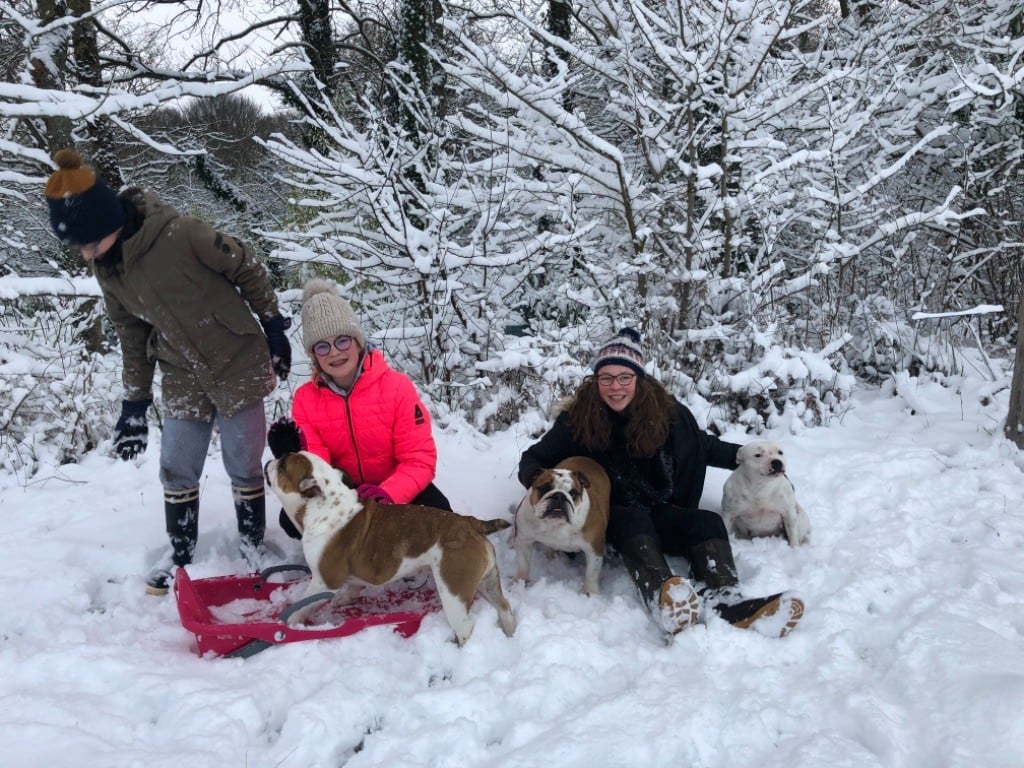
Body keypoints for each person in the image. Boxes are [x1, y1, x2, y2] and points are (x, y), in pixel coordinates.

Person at [44, 148, 292, 595]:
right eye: (77, 248)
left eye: (87, 243)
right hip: (180, 370)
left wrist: (273, 325)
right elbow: (131, 336)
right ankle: (180, 551)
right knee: (176, 464)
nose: (85, 256)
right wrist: (134, 402)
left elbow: (245, 265)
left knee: (244, 462)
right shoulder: (109, 269)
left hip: (235, 357)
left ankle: (253, 544)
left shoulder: (180, 234)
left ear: (107, 222)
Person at [518, 328, 804, 637]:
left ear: (638, 378)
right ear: (596, 380)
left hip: (662, 506)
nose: (615, 387)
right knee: (633, 519)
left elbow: (703, 446)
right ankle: (662, 597)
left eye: (624, 377)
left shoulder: (668, 414)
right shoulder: (578, 419)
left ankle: (728, 600)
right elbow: (534, 459)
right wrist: (540, 489)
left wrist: (757, 459)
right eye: (607, 378)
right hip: (612, 517)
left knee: (706, 522)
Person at [267, 279, 450, 539]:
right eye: (322, 346)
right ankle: (340, 552)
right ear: (313, 354)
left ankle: (401, 548)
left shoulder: (397, 387)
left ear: (358, 341)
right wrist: (295, 457)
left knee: (440, 514)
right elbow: (319, 464)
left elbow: (418, 459)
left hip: (393, 485)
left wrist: (389, 494)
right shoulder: (306, 399)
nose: (334, 353)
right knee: (291, 519)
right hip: (344, 491)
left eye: (342, 340)